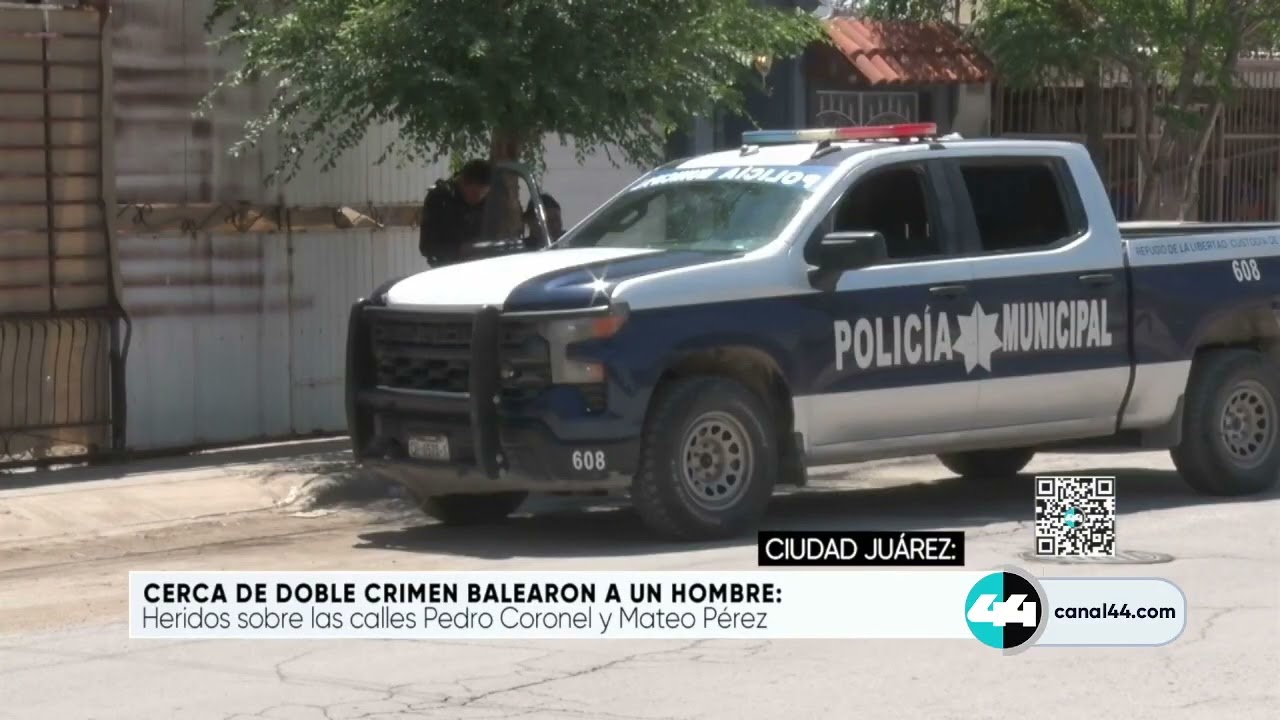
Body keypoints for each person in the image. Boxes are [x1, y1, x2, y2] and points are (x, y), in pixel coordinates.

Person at [419, 159, 492, 266]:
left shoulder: (487, 201)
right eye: (474, 193)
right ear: (462, 181)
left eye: (484, 193)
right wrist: (460, 249)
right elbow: (427, 247)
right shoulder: (440, 199)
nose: (478, 198)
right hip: (448, 267)